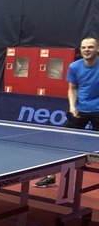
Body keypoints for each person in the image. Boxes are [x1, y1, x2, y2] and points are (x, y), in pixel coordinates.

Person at [35, 37, 99, 188]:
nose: (87, 50)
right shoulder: (74, 67)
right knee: (62, 143)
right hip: (80, 110)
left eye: (90, 47)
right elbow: (72, 88)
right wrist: (72, 106)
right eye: (84, 47)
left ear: (97, 49)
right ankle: (50, 176)